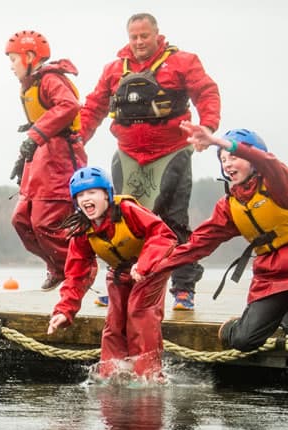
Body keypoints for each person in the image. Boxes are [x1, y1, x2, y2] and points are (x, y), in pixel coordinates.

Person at [134, 122, 288, 368]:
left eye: (234, 157)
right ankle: (243, 325)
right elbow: (198, 244)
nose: (228, 163)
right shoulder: (229, 206)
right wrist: (154, 267)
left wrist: (220, 141)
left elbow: (269, 162)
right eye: (223, 159)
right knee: (242, 340)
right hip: (270, 276)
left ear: (253, 160)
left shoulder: (280, 185)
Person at [79, 13, 221, 310]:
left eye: (145, 36)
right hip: (129, 153)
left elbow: (206, 92)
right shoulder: (114, 69)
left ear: (157, 35)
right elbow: (94, 106)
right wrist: (77, 139)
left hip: (172, 150)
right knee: (122, 220)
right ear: (128, 38)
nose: (140, 42)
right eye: (134, 37)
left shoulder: (183, 62)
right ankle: (121, 281)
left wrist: (207, 127)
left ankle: (184, 288)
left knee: (173, 221)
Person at [46, 166, 176, 380]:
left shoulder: (127, 210)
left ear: (107, 194)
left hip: (150, 270)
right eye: (80, 195)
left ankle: (149, 376)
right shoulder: (82, 231)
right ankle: (113, 373)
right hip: (119, 273)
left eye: (91, 192)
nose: (85, 199)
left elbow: (163, 235)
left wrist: (144, 265)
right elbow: (77, 275)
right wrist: (64, 311)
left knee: (139, 314)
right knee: (114, 323)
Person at [4, 30, 88, 291]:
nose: (11, 66)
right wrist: (24, 156)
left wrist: (35, 135)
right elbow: (39, 122)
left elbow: (69, 106)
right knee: (21, 220)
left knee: (46, 222)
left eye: (14, 59)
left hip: (61, 157)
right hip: (40, 157)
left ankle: (81, 269)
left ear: (30, 57)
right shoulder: (30, 84)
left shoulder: (50, 79)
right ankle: (57, 266)